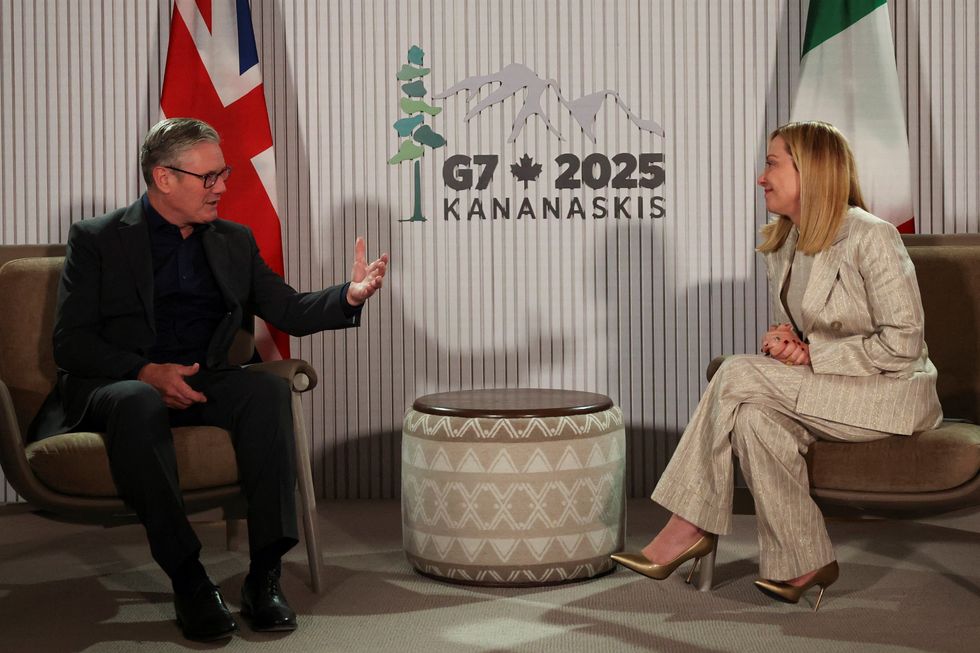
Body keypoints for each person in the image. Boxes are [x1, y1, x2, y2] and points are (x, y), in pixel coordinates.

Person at [28, 117, 388, 641]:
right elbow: (71, 343)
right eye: (209, 177)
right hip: (118, 385)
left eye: (224, 174)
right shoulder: (98, 239)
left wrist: (349, 296)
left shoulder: (233, 240)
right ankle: (189, 579)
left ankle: (264, 574)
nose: (221, 187)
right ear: (164, 177)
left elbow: (287, 309)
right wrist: (145, 372)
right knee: (137, 401)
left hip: (203, 378)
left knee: (266, 390)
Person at [611, 121, 942, 610]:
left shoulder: (871, 236)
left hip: (890, 395)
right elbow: (807, 330)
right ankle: (805, 561)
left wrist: (813, 354)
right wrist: (788, 342)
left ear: (811, 170)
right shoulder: (783, 242)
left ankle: (689, 524)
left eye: (772, 164)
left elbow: (903, 344)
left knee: (735, 372)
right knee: (752, 417)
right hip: (831, 390)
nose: (761, 178)